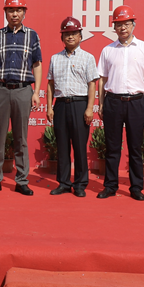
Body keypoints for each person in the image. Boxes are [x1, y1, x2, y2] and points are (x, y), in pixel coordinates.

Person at [0, 0, 42, 196]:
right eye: (11, 10)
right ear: (5, 12)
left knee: (21, 138)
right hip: (0, 90)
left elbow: (37, 64)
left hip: (23, 90)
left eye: (18, 10)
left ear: (24, 12)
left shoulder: (32, 35)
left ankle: (22, 180)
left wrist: (36, 91)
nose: (14, 14)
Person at [97, 5, 144, 201]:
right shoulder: (107, 50)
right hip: (113, 102)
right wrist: (101, 104)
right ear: (114, 27)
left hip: (136, 102)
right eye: (119, 24)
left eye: (126, 24)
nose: (123, 28)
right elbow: (102, 79)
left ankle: (136, 187)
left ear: (133, 25)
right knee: (112, 147)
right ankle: (110, 186)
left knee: (135, 147)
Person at [46, 16, 99, 197]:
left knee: (79, 146)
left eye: (74, 33)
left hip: (79, 104)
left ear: (80, 36)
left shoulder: (88, 58)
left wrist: (90, 108)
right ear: (62, 37)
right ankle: (63, 183)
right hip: (61, 105)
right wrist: (49, 107)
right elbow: (50, 84)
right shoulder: (55, 58)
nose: (70, 37)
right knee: (62, 147)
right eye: (67, 34)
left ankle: (80, 184)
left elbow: (92, 84)